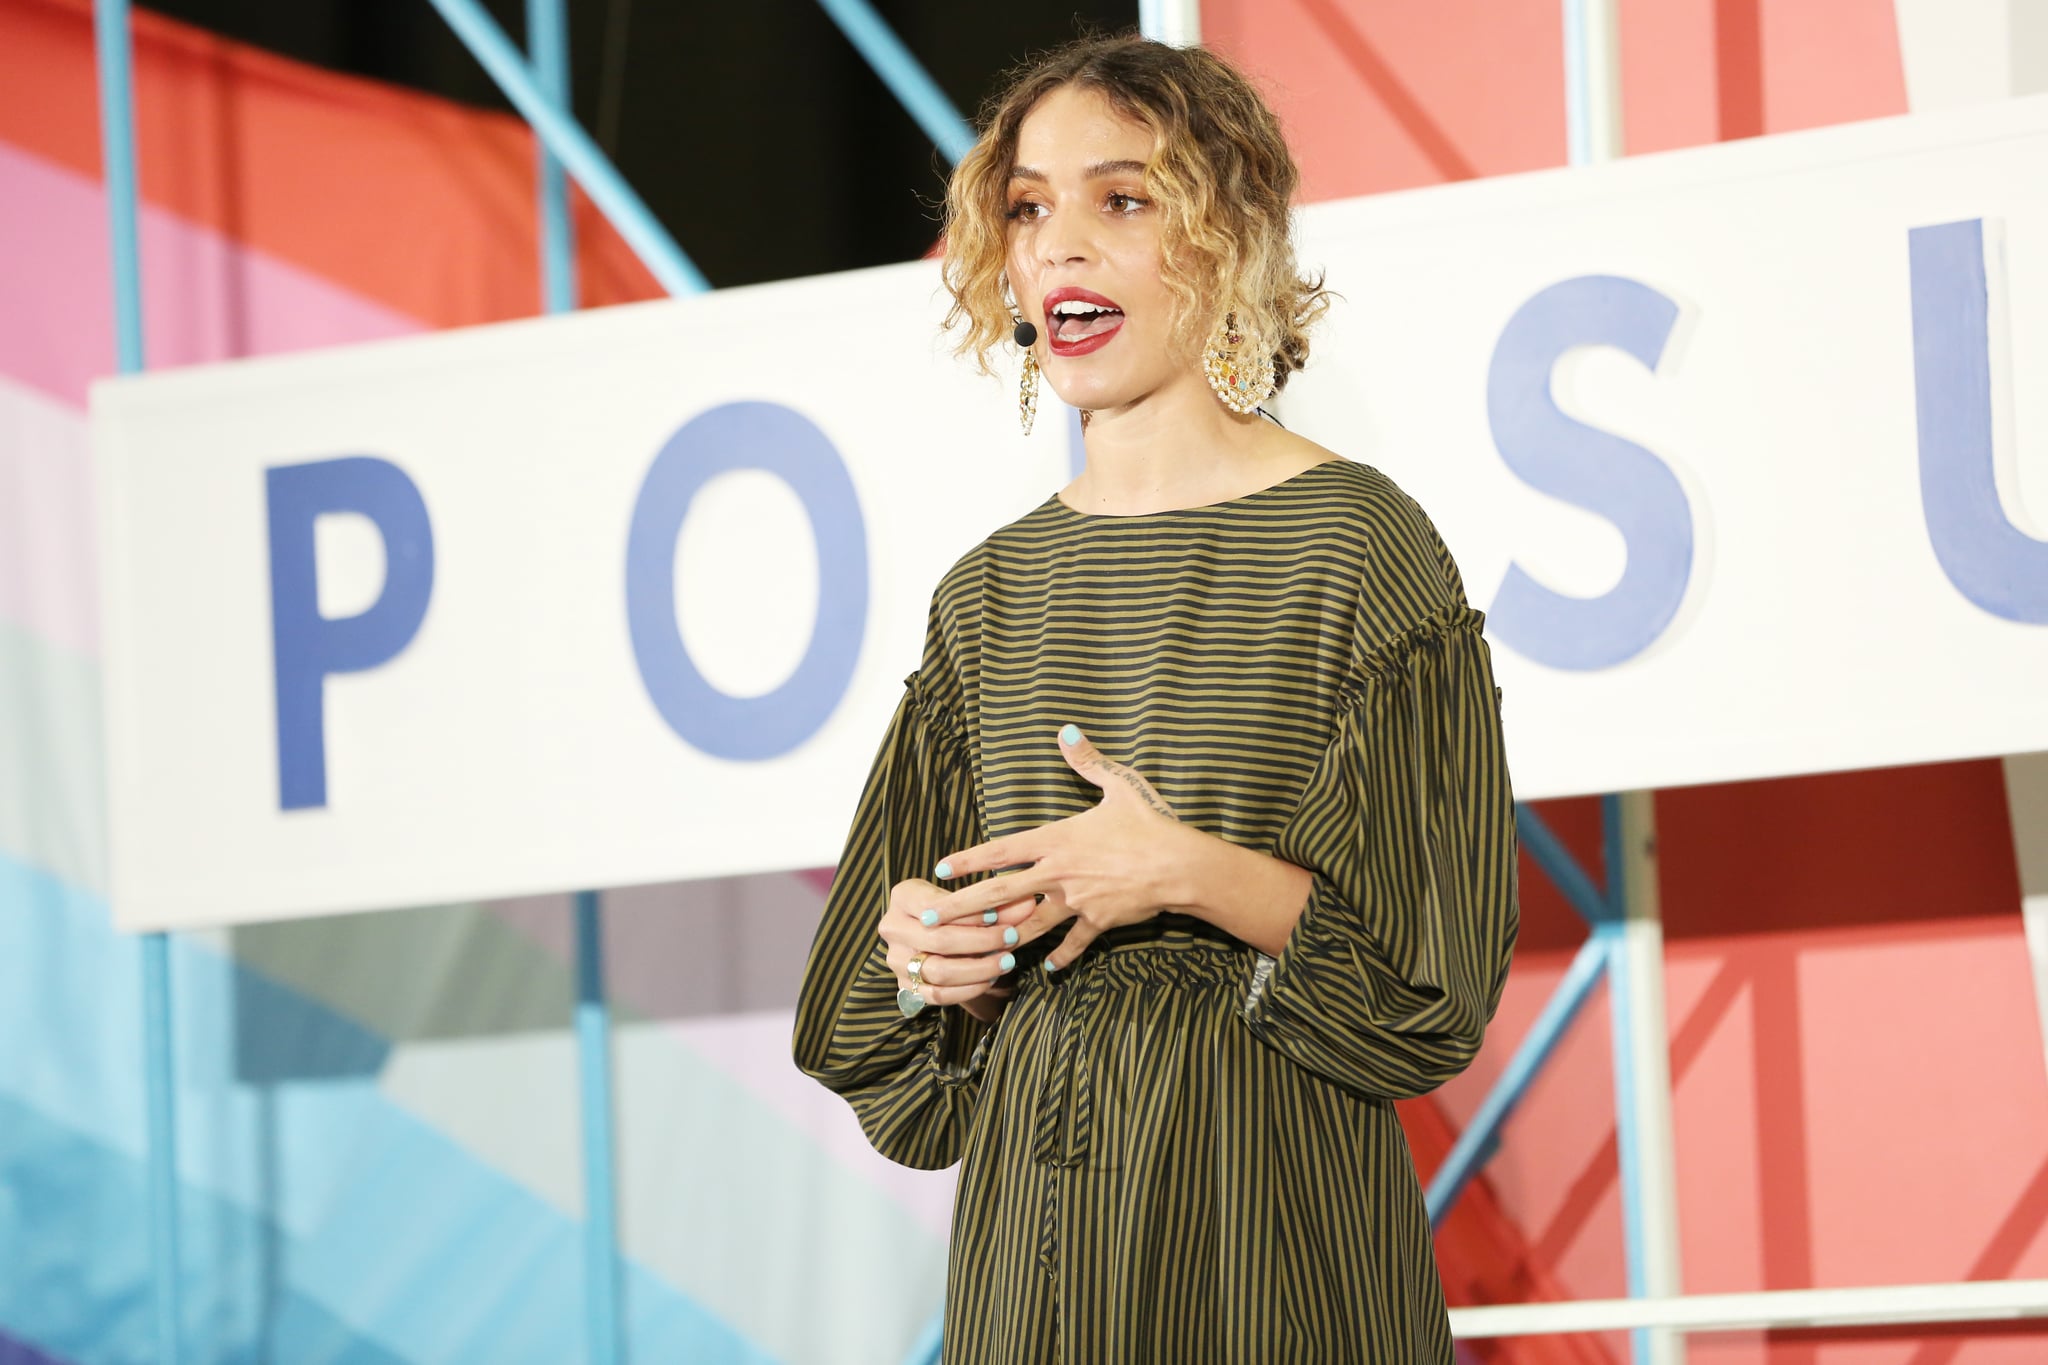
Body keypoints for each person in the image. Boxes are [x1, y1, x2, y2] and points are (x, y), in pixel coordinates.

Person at [793, 32, 1518, 1364]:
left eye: (1119, 198)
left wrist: (1180, 870)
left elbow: (1431, 980)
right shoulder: (989, 594)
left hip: (1271, 1245)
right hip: (1038, 1256)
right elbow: (878, 1019)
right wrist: (927, 962)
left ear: (1224, 231)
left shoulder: (1359, 547)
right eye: (1028, 206)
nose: (1059, 241)